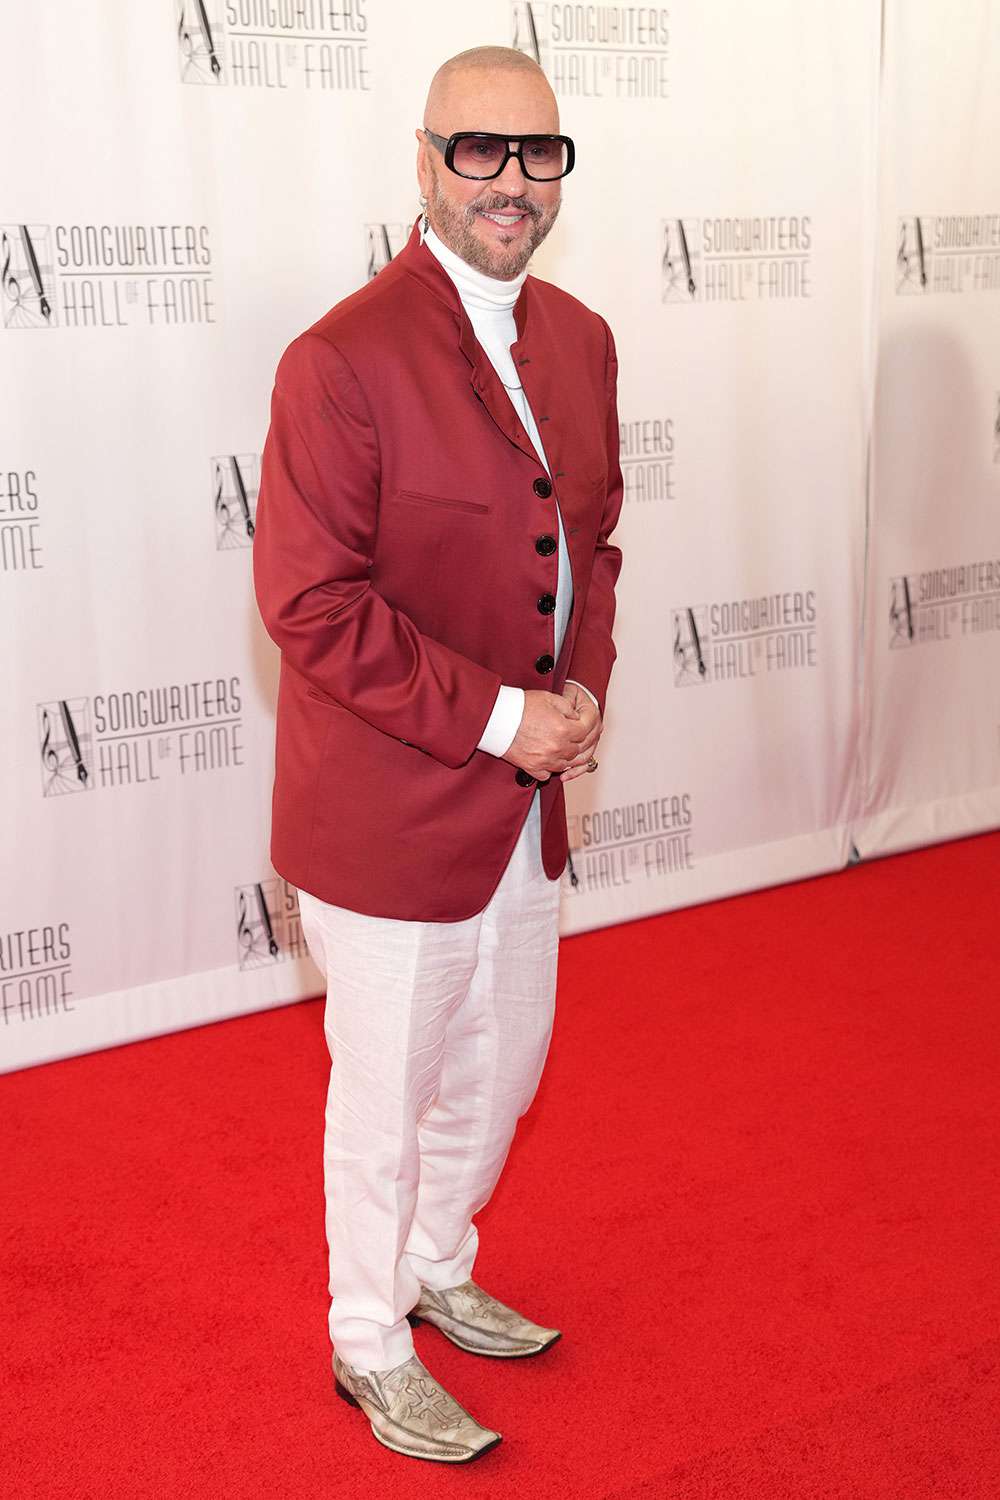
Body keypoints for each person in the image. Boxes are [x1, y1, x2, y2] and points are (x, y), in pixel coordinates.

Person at [252, 43, 623, 1465]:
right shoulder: (340, 359)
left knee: (505, 1063)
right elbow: (311, 602)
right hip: (388, 813)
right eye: (479, 151)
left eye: (538, 154)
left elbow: (588, 547)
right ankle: (364, 1339)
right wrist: (496, 718)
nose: (511, 182)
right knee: (386, 1095)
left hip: (525, 804)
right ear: (424, 161)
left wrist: (579, 694)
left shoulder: (581, 338)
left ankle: (435, 1260)